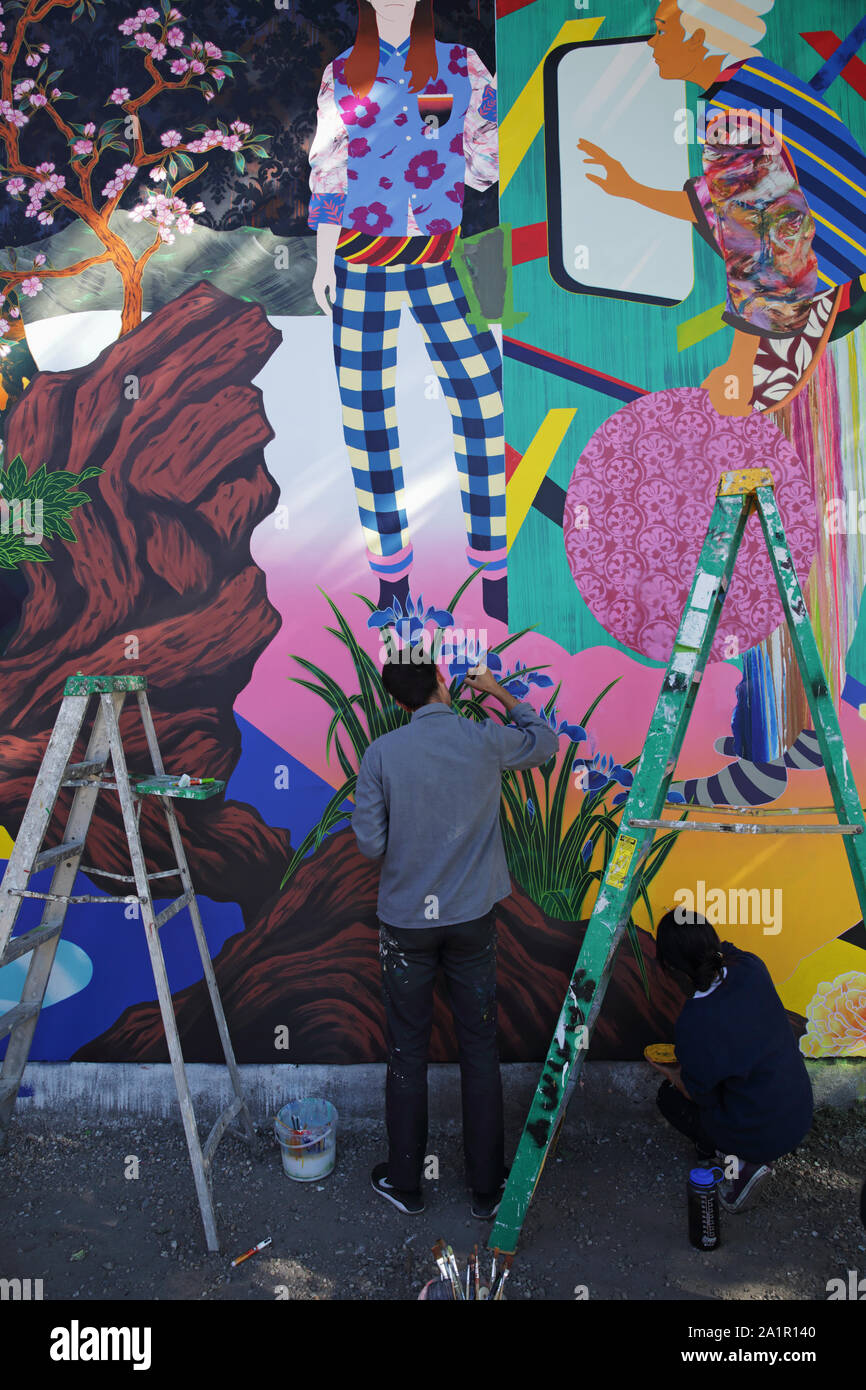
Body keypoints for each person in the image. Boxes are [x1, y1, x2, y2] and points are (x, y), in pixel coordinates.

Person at [308, 0, 507, 621]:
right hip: (359, 263)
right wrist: (320, 262)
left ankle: (494, 564)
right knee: (367, 415)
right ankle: (392, 578)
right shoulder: (342, 73)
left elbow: (488, 160)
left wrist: (459, 158)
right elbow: (328, 171)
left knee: (483, 397)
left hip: (445, 255)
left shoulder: (460, 65)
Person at [577, 0, 866, 416]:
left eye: (662, 30)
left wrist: (739, 365)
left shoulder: (731, 115)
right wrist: (630, 189)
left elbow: (767, 250)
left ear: (698, 37)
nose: (653, 43)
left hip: (833, 287)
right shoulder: (761, 78)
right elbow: (726, 204)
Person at [351, 648, 559, 1217]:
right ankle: (487, 1190)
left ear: (396, 700)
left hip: (406, 924)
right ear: (443, 681)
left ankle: (405, 1183)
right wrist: (498, 691)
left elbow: (369, 844)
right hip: (472, 920)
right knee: (479, 1048)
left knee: (406, 1050)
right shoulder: (482, 739)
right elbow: (545, 743)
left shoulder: (382, 753)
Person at [649, 908, 813, 1212]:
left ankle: (737, 1167)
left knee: (670, 1099)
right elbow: (726, 951)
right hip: (799, 1114)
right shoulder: (751, 966)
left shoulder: (695, 1023)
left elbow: (700, 1096)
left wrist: (671, 1072)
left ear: (671, 968)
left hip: (762, 1136)